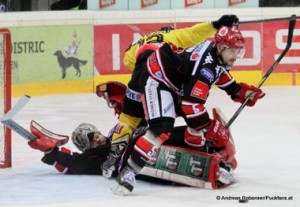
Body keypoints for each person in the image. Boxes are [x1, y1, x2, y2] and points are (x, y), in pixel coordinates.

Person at [106, 26, 265, 196]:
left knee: (195, 121)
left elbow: (219, 74)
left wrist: (240, 91)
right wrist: (210, 128)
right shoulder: (204, 67)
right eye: (233, 52)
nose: (236, 57)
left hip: (174, 82)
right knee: (161, 128)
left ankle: (195, 149)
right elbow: (191, 106)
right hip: (157, 79)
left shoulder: (215, 56)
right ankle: (128, 173)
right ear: (220, 48)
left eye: (239, 52)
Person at [99, 14, 240, 178]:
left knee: (128, 118)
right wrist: (215, 25)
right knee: (183, 107)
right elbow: (192, 34)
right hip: (159, 72)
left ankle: (113, 156)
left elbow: (128, 62)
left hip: (139, 74)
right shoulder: (170, 36)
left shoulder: (137, 43)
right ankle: (191, 141)